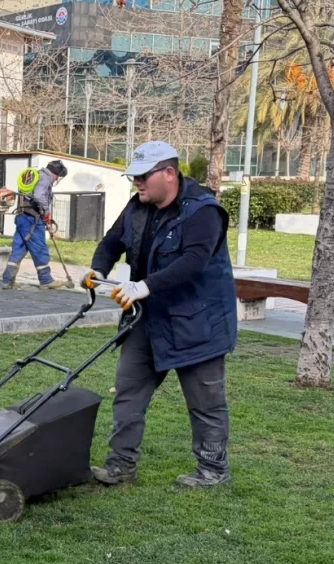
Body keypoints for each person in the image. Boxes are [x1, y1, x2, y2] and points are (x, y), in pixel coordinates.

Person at [83, 141, 237, 489]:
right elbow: (111, 242)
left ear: (168, 173)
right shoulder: (139, 206)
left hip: (198, 323)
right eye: (133, 177)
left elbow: (194, 262)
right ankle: (121, 466)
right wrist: (97, 271)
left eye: (141, 177)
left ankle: (213, 470)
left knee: (205, 403)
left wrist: (145, 286)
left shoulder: (203, 211)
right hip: (147, 320)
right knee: (128, 393)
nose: (136, 183)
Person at [1, 160, 68, 290]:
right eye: (58, 177)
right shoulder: (45, 178)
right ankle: (46, 280)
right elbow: (38, 195)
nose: (56, 180)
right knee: (40, 249)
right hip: (32, 220)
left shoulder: (33, 175)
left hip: (22, 217)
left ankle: (8, 280)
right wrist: (46, 213)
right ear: (56, 174)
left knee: (18, 249)